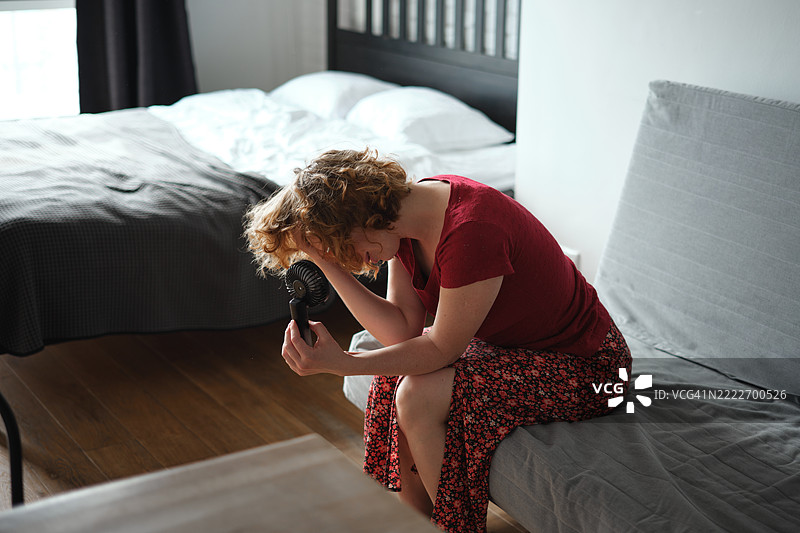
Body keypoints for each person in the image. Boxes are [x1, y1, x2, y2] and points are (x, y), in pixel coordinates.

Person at [244, 148, 631, 532]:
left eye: (346, 247)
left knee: (417, 395)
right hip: (514, 349)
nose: (355, 261)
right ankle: (416, 522)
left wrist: (345, 363)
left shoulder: (473, 231)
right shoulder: (405, 219)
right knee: (395, 376)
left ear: (364, 217)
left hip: (591, 368)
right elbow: (401, 331)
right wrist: (323, 260)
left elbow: (440, 349)